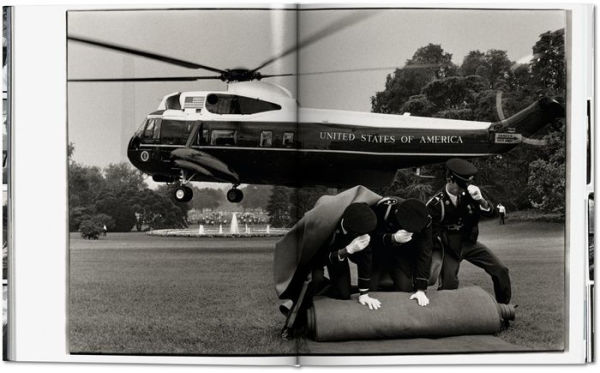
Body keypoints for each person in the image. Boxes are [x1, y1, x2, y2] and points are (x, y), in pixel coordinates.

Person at [426, 158, 512, 304]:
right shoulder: (435, 203)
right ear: (449, 179)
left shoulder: (470, 195)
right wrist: (439, 248)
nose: (463, 189)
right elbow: (430, 231)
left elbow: (491, 213)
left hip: (469, 243)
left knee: (501, 270)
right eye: (460, 185)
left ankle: (504, 309)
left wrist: (481, 200)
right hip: (449, 247)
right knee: (449, 284)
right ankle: (446, 315)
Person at [368, 198, 433, 307]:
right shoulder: (384, 208)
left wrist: (421, 289)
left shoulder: (425, 220)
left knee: (405, 290)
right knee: (370, 290)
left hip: (403, 255)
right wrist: (391, 238)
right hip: (379, 254)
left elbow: (425, 253)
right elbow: (369, 237)